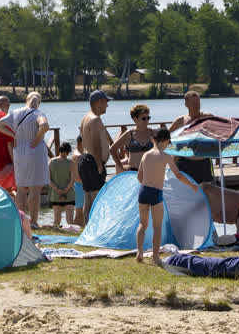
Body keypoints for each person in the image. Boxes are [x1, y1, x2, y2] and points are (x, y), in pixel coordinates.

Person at [134, 128, 198, 265]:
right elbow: (178, 175)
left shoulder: (145, 155)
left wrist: (147, 184)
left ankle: (139, 252)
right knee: (157, 226)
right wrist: (192, 185)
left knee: (142, 224)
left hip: (143, 191)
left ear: (153, 140)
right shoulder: (166, 156)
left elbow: (139, 176)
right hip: (156, 192)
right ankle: (155, 257)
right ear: (167, 141)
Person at [0, 92, 50, 228]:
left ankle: (21, 220)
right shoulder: (38, 113)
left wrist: (14, 135)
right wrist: (36, 140)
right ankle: (34, 221)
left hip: (19, 150)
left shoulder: (15, 113)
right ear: (39, 102)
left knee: (21, 188)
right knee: (35, 188)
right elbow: (44, 126)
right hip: (35, 151)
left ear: (26, 100)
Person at [77, 90, 120, 223]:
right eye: (106, 102)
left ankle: (87, 227)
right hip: (93, 162)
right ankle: (95, 226)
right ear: (98, 102)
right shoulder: (95, 119)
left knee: (88, 198)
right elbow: (95, 143)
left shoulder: (86, 117)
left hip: (85, 159)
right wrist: (99, 164)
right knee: (96, 197)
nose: (107, 105)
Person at [168, 90, 214, 185]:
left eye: (198, 103)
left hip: (203, 162)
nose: (197, 106)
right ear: (186, 104)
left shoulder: (207, 118)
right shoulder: (180, 121)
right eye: (193, 103)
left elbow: (219, 131)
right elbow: (166, 138)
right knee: (186, 191)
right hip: (184, 162)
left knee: (206, 192)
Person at [109, 104, 157, 171]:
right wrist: (121, 166)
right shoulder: (129, 134)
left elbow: (168, 147)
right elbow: (112, 149)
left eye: (148, 118)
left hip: (150, 172)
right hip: (133, 172)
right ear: (135, 119)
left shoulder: (153, 133)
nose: (147, 120)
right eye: (143, 118)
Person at [47, 142, 77, 230]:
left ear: (59, 150)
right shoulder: (71, 163)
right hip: (69, 194)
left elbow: (48, 179)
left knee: (56, 219)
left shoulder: (51, 162)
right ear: (68, 152)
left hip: (55, 194)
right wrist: (65, 190)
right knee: (70, 220)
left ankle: (55, 233)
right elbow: (72, 179)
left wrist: (57, 190)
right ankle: (72, 236)